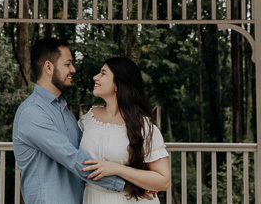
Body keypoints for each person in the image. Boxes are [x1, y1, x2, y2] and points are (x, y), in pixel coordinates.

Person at [13, 38, 126, 204]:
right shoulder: (32, 112)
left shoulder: (65, 112)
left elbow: (89, 151)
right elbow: (74, 159)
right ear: (48, 67)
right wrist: (126, 184)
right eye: (68, 64)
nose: (73, 69)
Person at [79, 57, 171, 203]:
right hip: (94, 197)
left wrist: (117, 168)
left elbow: (163, 181)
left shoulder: (142, 126)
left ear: (118, 84)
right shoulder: (89, 119)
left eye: (103, 73)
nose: (95, 77)